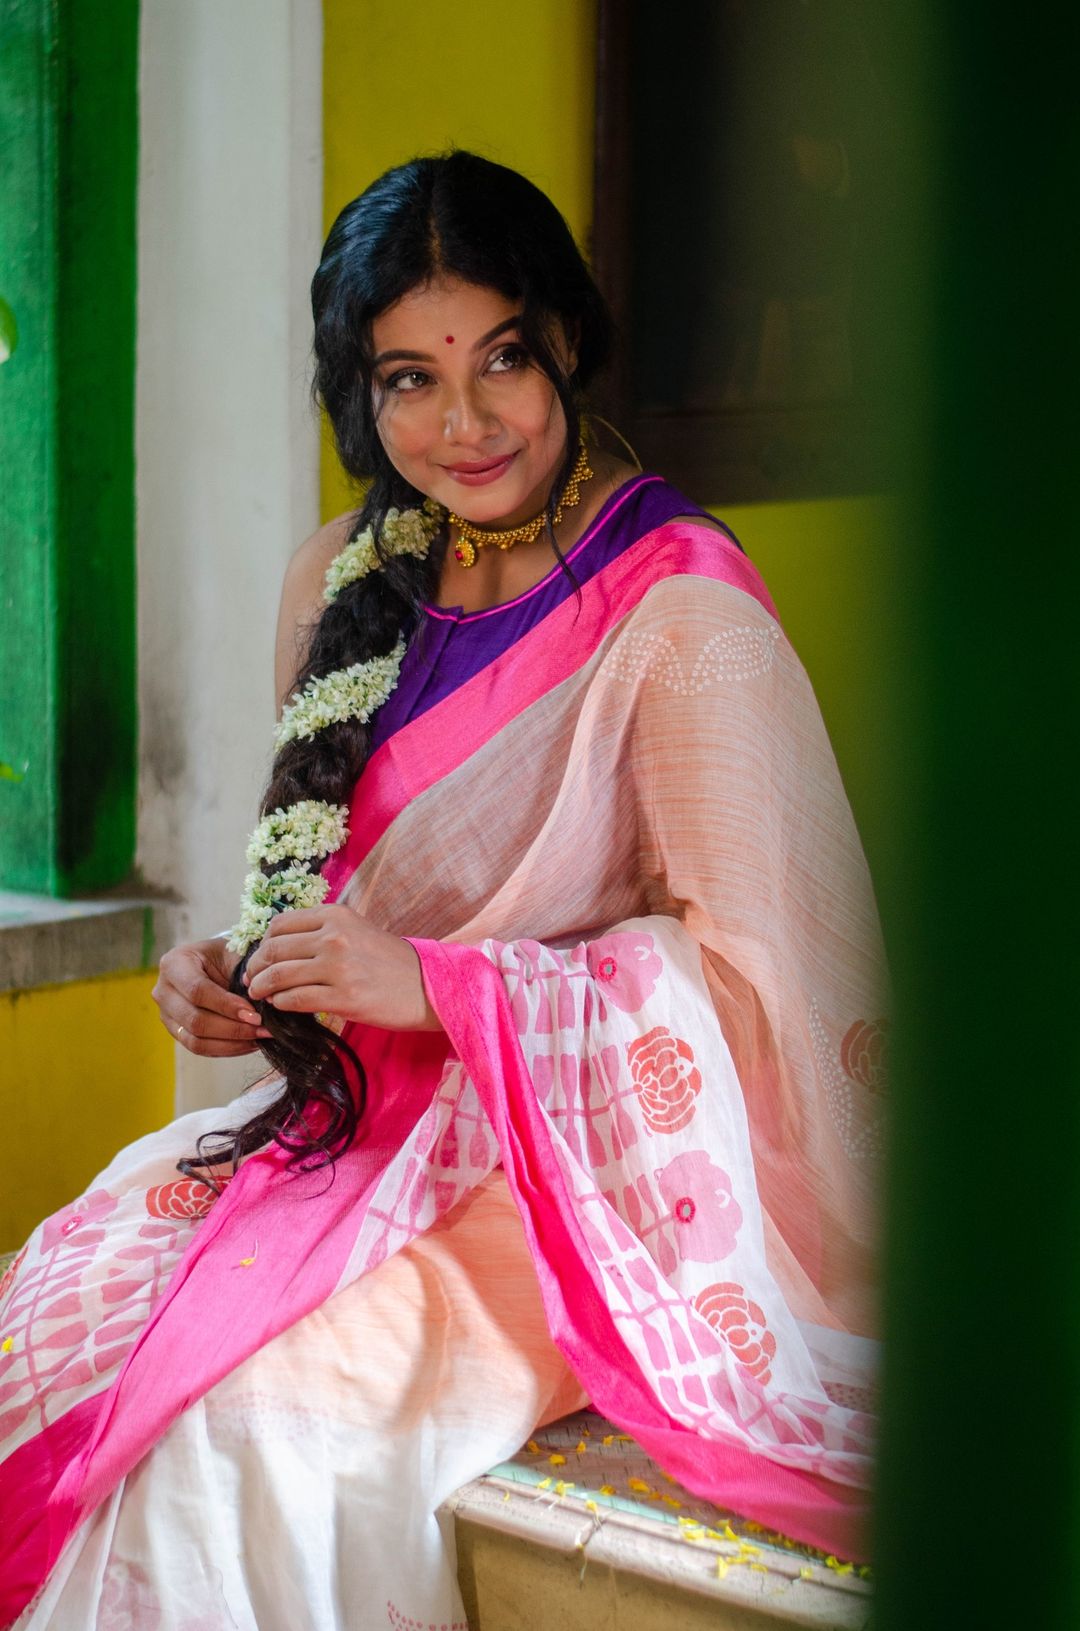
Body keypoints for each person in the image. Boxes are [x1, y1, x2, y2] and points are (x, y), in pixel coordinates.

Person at [0, 151, 884, 1630]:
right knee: (45, 1332)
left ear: (567, 345)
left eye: (503, 361)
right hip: (344, 1128)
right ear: (359, 389)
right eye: (409, 377)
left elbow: (768, 985)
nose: (463, 421)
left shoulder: (679, 608)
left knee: (245, 1445)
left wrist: (445, 989)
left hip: (571, 1183)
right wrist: (241, 982)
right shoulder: (334, 578)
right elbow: (335, 892)